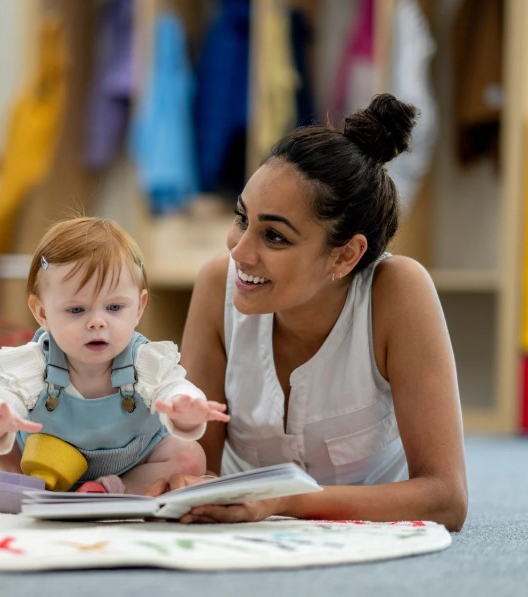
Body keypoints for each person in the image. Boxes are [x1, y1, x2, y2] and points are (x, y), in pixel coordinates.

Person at [147, 94, 468, 531]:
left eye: (274, 236)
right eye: (242, 218)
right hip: (253, 532)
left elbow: (446, 499)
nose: (239, 251)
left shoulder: (399, 293)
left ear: (345, 256)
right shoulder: (214, 286)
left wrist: (284, 501)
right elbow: (201, 465)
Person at [0, 217, 229, 511]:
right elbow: (2, 394)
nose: (97, 322)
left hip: (127, 463)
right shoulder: (35, 360)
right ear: (42, 312)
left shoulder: (145, 359)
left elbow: (174, 386)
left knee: (190, 456)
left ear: (139, 307)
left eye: (114, 308)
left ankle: (108, 493)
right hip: (38, 458)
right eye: (77, 310)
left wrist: (185, 407)